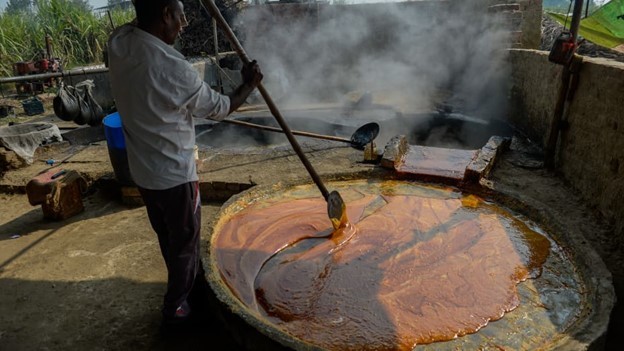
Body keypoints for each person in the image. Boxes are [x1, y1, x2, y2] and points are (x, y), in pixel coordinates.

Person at [107, 0, 263, 326]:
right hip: (175, 175)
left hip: (144, 172)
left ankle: (185, 290)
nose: (184, 23)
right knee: (186, 243)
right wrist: (248, 83)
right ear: (165, 13)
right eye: (179, 15)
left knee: (169, 236)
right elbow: (220, 107)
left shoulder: (119, 43)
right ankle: (177, 307)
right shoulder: (171, 68)